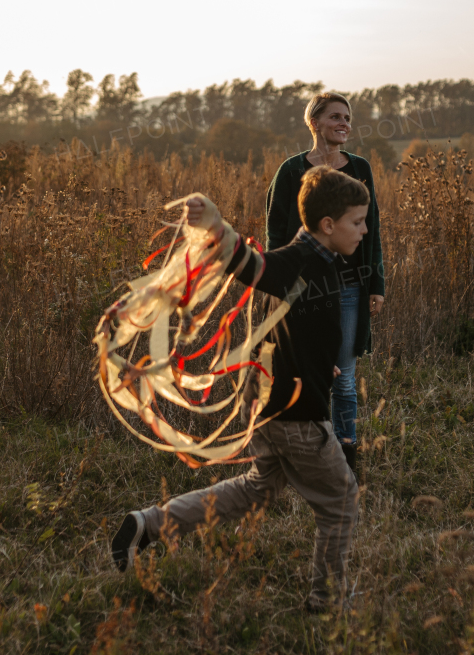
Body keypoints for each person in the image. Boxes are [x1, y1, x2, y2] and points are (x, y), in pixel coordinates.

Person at [111, 165, 369, 612]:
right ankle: (328, 601)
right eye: (358, 222)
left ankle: (147, 525)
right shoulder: (297, 260)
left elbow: (286, 330)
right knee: (342, 500)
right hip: (297, 417)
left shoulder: (326, 264)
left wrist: (314, 364)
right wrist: (217, 226)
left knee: (257, 489)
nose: (365, 230)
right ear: (328, 225)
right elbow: (252, 265)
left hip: (271, 406)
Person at [266, 92, 385, 470]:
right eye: (335, 116)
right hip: (303, 289)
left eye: (347, 117)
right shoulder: (290, 170)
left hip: (350, 287)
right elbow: (275, 230)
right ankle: (304, 453)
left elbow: (374, 229)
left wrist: (376, 283)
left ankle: (344, 458)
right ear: (314, 123)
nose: (344, 123)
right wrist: (279, 280)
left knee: (346, 379)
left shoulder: (361, 168)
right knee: (305, 373)